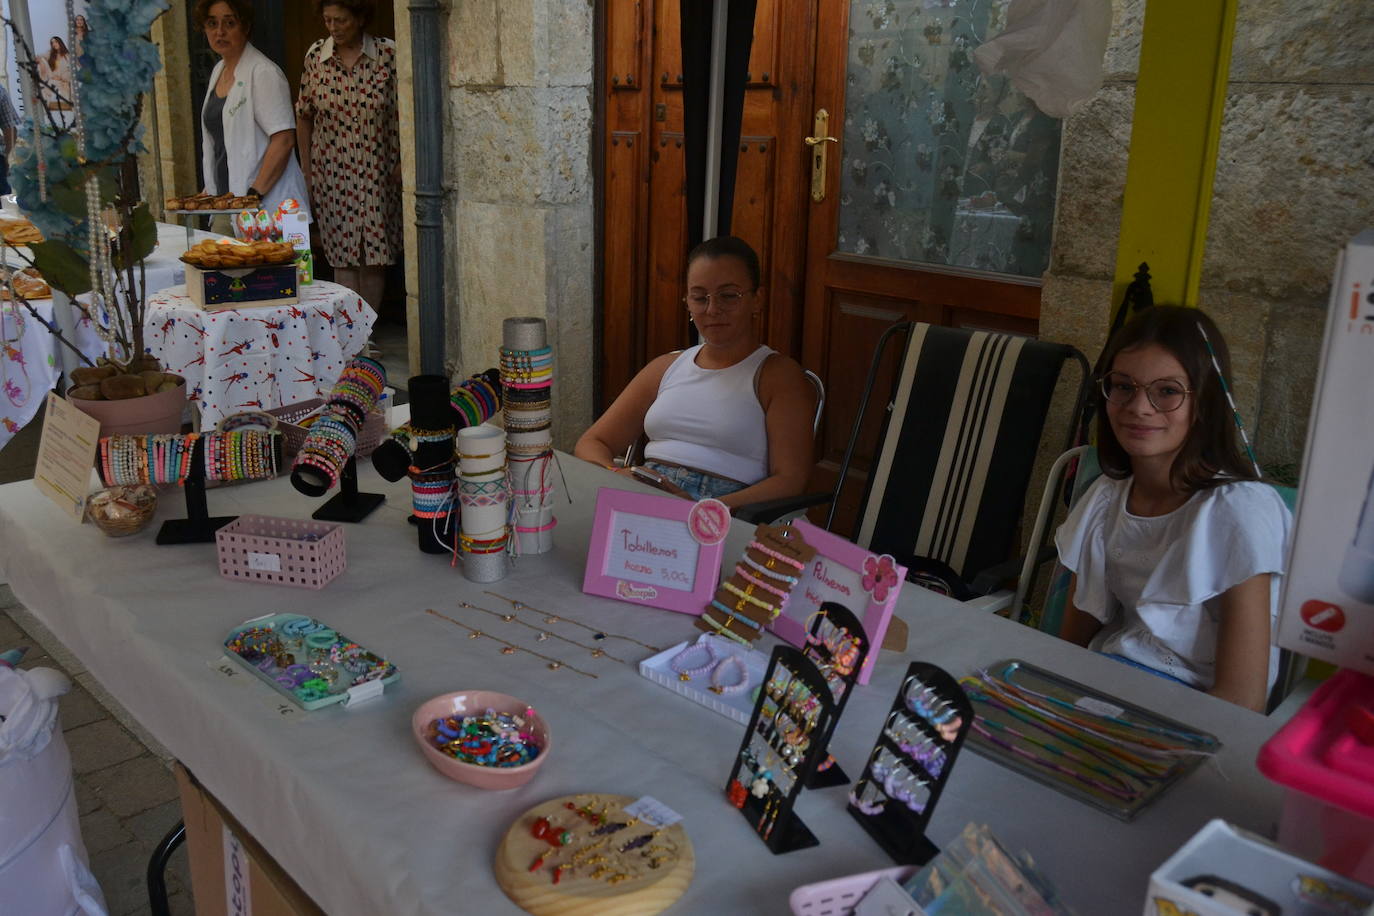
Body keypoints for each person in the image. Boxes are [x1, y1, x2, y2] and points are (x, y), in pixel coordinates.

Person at [1055, 306, 1291, 712]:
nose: (1139, 407)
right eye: (1123, 386)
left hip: (1192, 713)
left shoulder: (1238, 512)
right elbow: (1068, 650)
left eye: (1167, 391)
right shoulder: (1107, 497)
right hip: (1104, 684)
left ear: (1206, 402)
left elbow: (1241, 699)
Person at [574, 236, 815, 509]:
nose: (712, 310)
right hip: (648, 499)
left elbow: (790, 479)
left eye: (728, 296)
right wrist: (616, 474)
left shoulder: (777, 375)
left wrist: (704, 510)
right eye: (700, 298)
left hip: (727, 511)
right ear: (688, 303)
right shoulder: (666, 367)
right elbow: (592, 442)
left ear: (756, 300)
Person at [295, 0, 400, 311]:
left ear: (361, 18)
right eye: (328, 20)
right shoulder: (317, 56)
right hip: (333, 172)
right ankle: (348, 329)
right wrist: (307, 171)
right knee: (342, 253)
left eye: (340, 20)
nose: (333, 28)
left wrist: (403, 162)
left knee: (374, 254)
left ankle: (367, 329)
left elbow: (406, 109)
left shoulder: (387, 54)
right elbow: (304, 115)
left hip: (378, 170)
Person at [195, 0, 309, 221]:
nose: (220, 32)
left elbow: (284, 140)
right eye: (212, 23)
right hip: (226, 203)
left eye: (230, 23)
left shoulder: (264, 72)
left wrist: (254, 195)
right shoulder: (218, 70)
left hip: (270, 206)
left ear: (245, 27)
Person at [36, 37, 72, 111]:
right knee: (41, 61)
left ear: (60, 42)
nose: (54, 44)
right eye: (52, 43)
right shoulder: (50, 54)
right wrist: (39, 60)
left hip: (63, 80)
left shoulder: (67, 56)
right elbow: (40, 57)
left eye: (55, 42)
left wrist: (61, 78)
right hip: (51, 77)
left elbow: (70, 71)